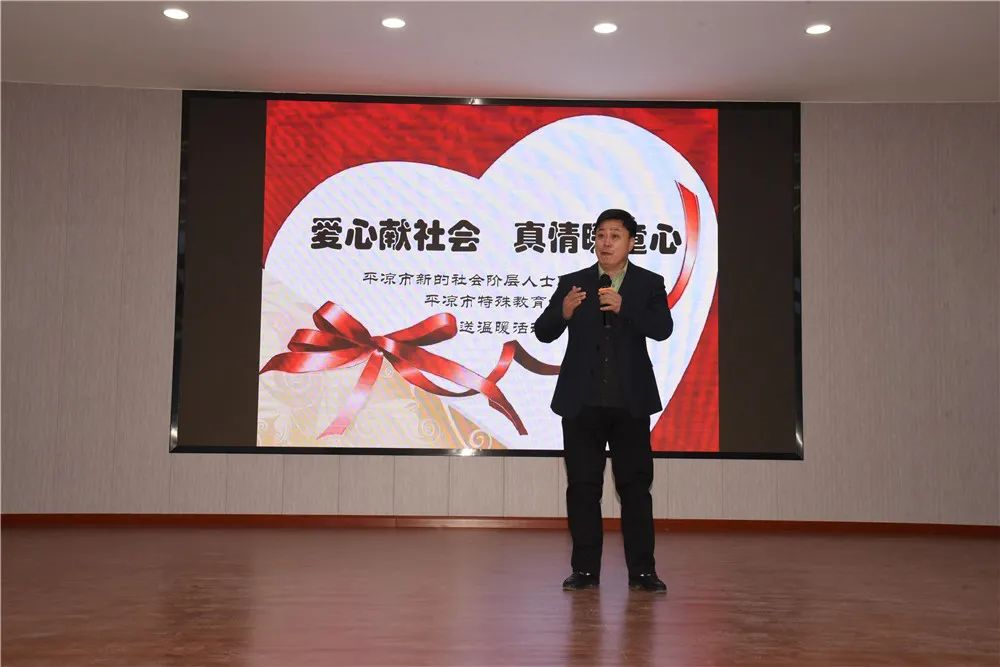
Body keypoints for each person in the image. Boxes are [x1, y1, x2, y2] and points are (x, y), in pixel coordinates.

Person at [534, 209, 672, 593]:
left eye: (615, 235)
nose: (606, 242)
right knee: (583, 487)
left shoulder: (649, 284)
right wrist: (562, 312)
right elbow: (543, 331)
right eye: (600, 235)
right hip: (582, 403)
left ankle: (642, 571)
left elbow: (662, 329)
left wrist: (625, 307)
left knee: (635, 489)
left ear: (631, 242)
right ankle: (584, 570)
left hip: (630, 403)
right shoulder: (573, 283)